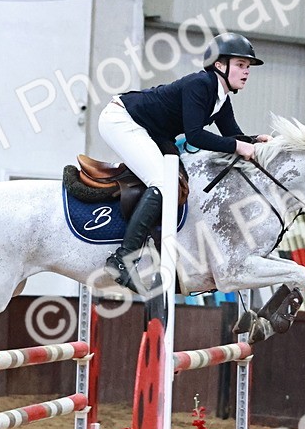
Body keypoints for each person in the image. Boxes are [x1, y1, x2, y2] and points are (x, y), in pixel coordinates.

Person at [97, 31, 271, 290]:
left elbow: (233, 135)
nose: (246, 72)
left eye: (248, 67)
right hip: (123, 120)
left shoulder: (221, 99)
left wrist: (256, 140)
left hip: (152, 131)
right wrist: (239, 145)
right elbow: (196, 136)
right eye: (241, 65)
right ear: (219, 66)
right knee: (162, 182)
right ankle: (123, 258)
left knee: (177, 179)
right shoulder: (200, 85)